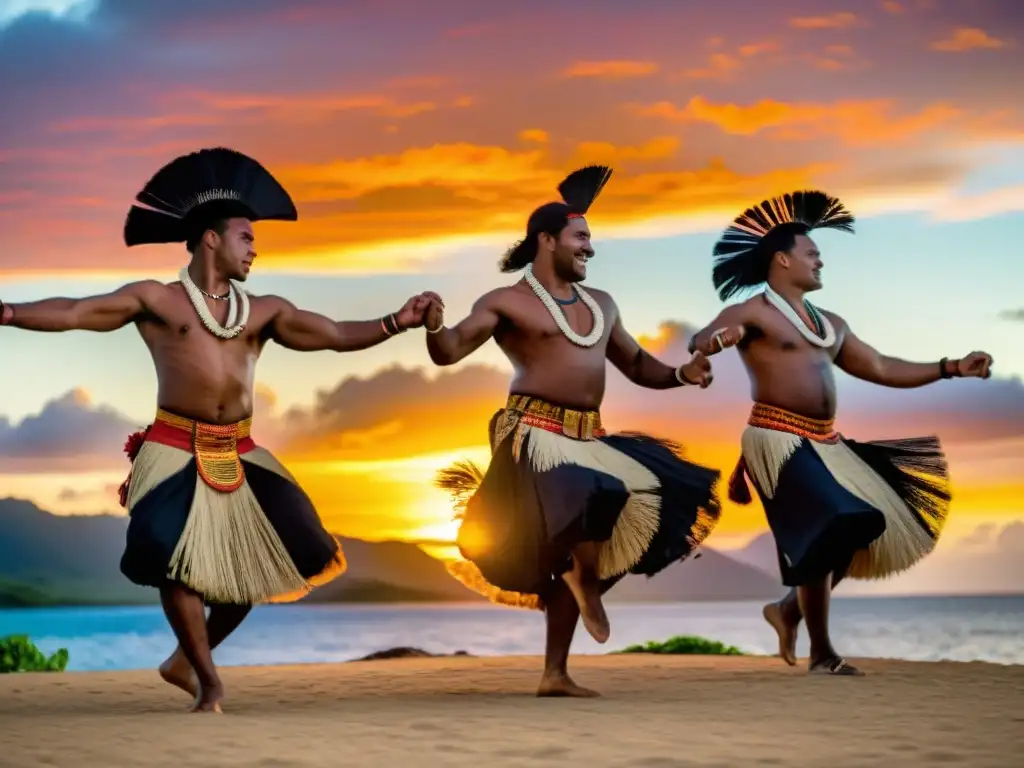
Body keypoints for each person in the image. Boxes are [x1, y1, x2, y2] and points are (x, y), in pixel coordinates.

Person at [0, 147, 439, 712]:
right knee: (166, 551)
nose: (255, 249)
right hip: (173, 446)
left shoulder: (263, 311)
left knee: (284, 549)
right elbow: (78, 311)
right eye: (246, 237)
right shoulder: (157, 300)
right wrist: (8, 312)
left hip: (241, 449)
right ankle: (210, 682)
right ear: (211, 239)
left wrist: (395, 322)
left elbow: (331, 332)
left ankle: (185, 659)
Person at [425, 165, 723, 697]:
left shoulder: (602, 305)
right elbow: (448, 351)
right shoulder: (505, 302)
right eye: (581, 238)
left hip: (590, 435)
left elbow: (637, 365)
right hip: (532, 436)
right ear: (547, 240)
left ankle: (555, 673)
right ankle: (579, 577)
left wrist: (682, 374)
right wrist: (430, 325)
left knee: (647, 504)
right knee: (597, 495)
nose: (590, 248)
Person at [689, 189, 994, 676]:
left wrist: (951, 366)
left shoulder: (830, 324)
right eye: (812, 254)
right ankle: (822, 653)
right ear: (783, 259)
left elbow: (880, 366)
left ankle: (789, 609)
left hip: (827, 443)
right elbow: (704, 336)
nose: (820, 262)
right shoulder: (754, 313)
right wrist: (714, 342)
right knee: (834, 520)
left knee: (859, 524)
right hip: (777, 440)